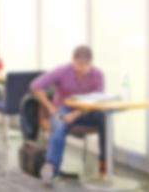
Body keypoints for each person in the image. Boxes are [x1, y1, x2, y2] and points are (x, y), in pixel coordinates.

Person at [30, 45, 106, 185]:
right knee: (58, 125)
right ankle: (51, 169)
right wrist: (51, 107)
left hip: (87, 110)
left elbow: (97, 99)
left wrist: (76, 114)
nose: (81, 68)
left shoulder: (98, 75)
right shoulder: (62, 71)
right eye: (78, 65)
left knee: (105, 120)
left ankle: (104, 166)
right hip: (64, 109)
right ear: (73, 60)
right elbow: (36, 85)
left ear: (91, 63)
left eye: (85, 65)